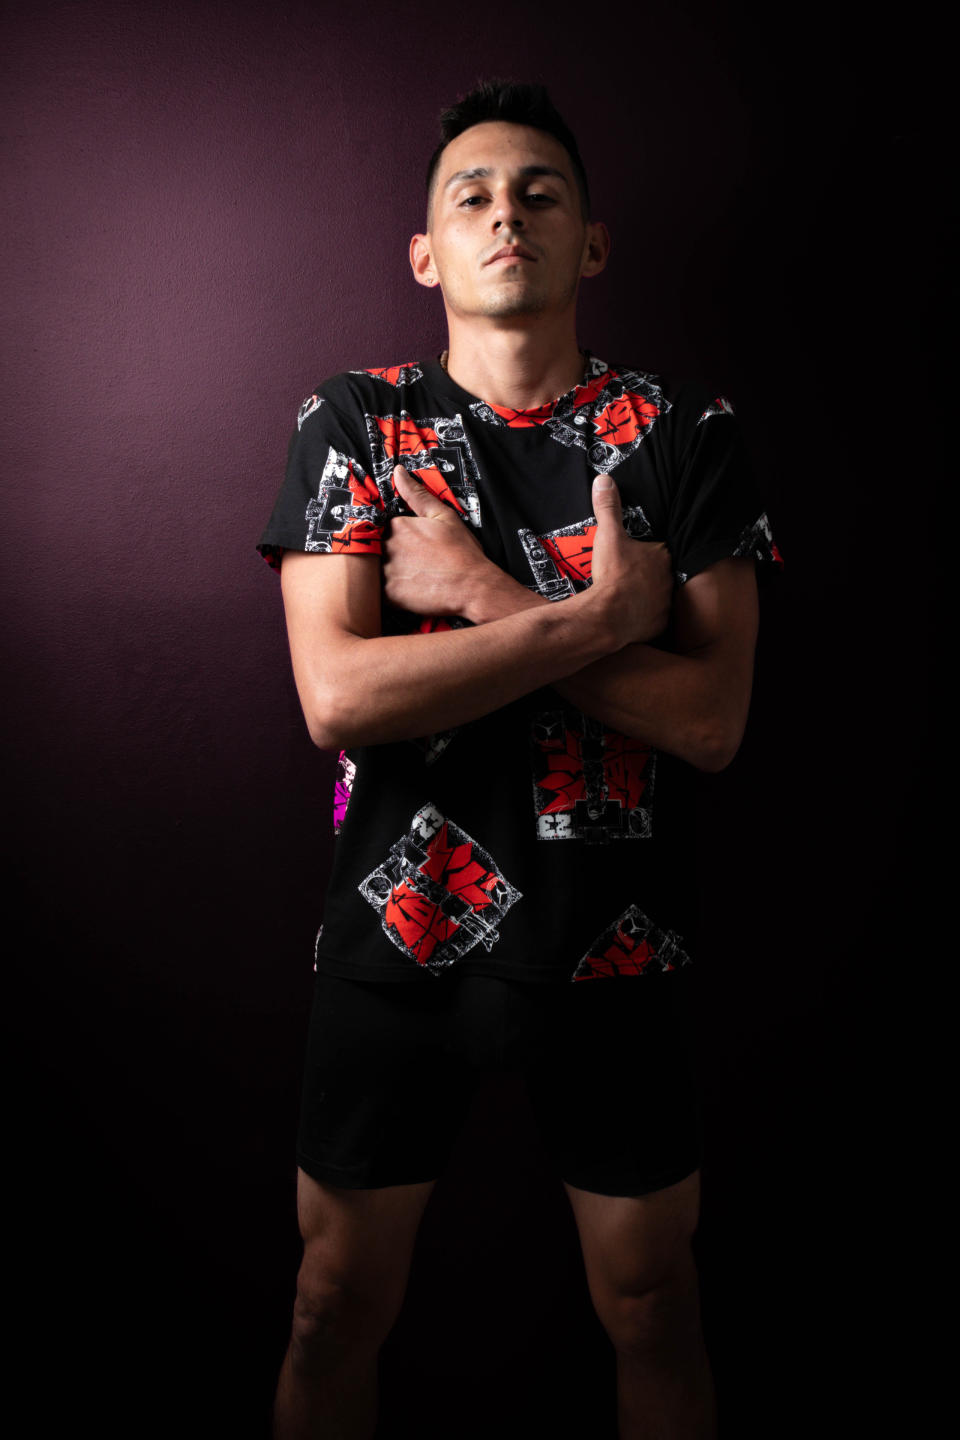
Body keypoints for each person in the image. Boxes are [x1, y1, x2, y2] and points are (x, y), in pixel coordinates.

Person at [258, 79, 781, 1440]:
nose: (508, 216)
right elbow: (337, 696)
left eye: (540, 194)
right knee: (328, 1306)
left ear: (591, 242)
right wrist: (601, 622)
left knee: (656, 1302)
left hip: (614, 939)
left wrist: (489, 598)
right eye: (473, 197)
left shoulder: (682, 433)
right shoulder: (355, 423)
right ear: (426, 253)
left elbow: (713, 722)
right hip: (400, 927)